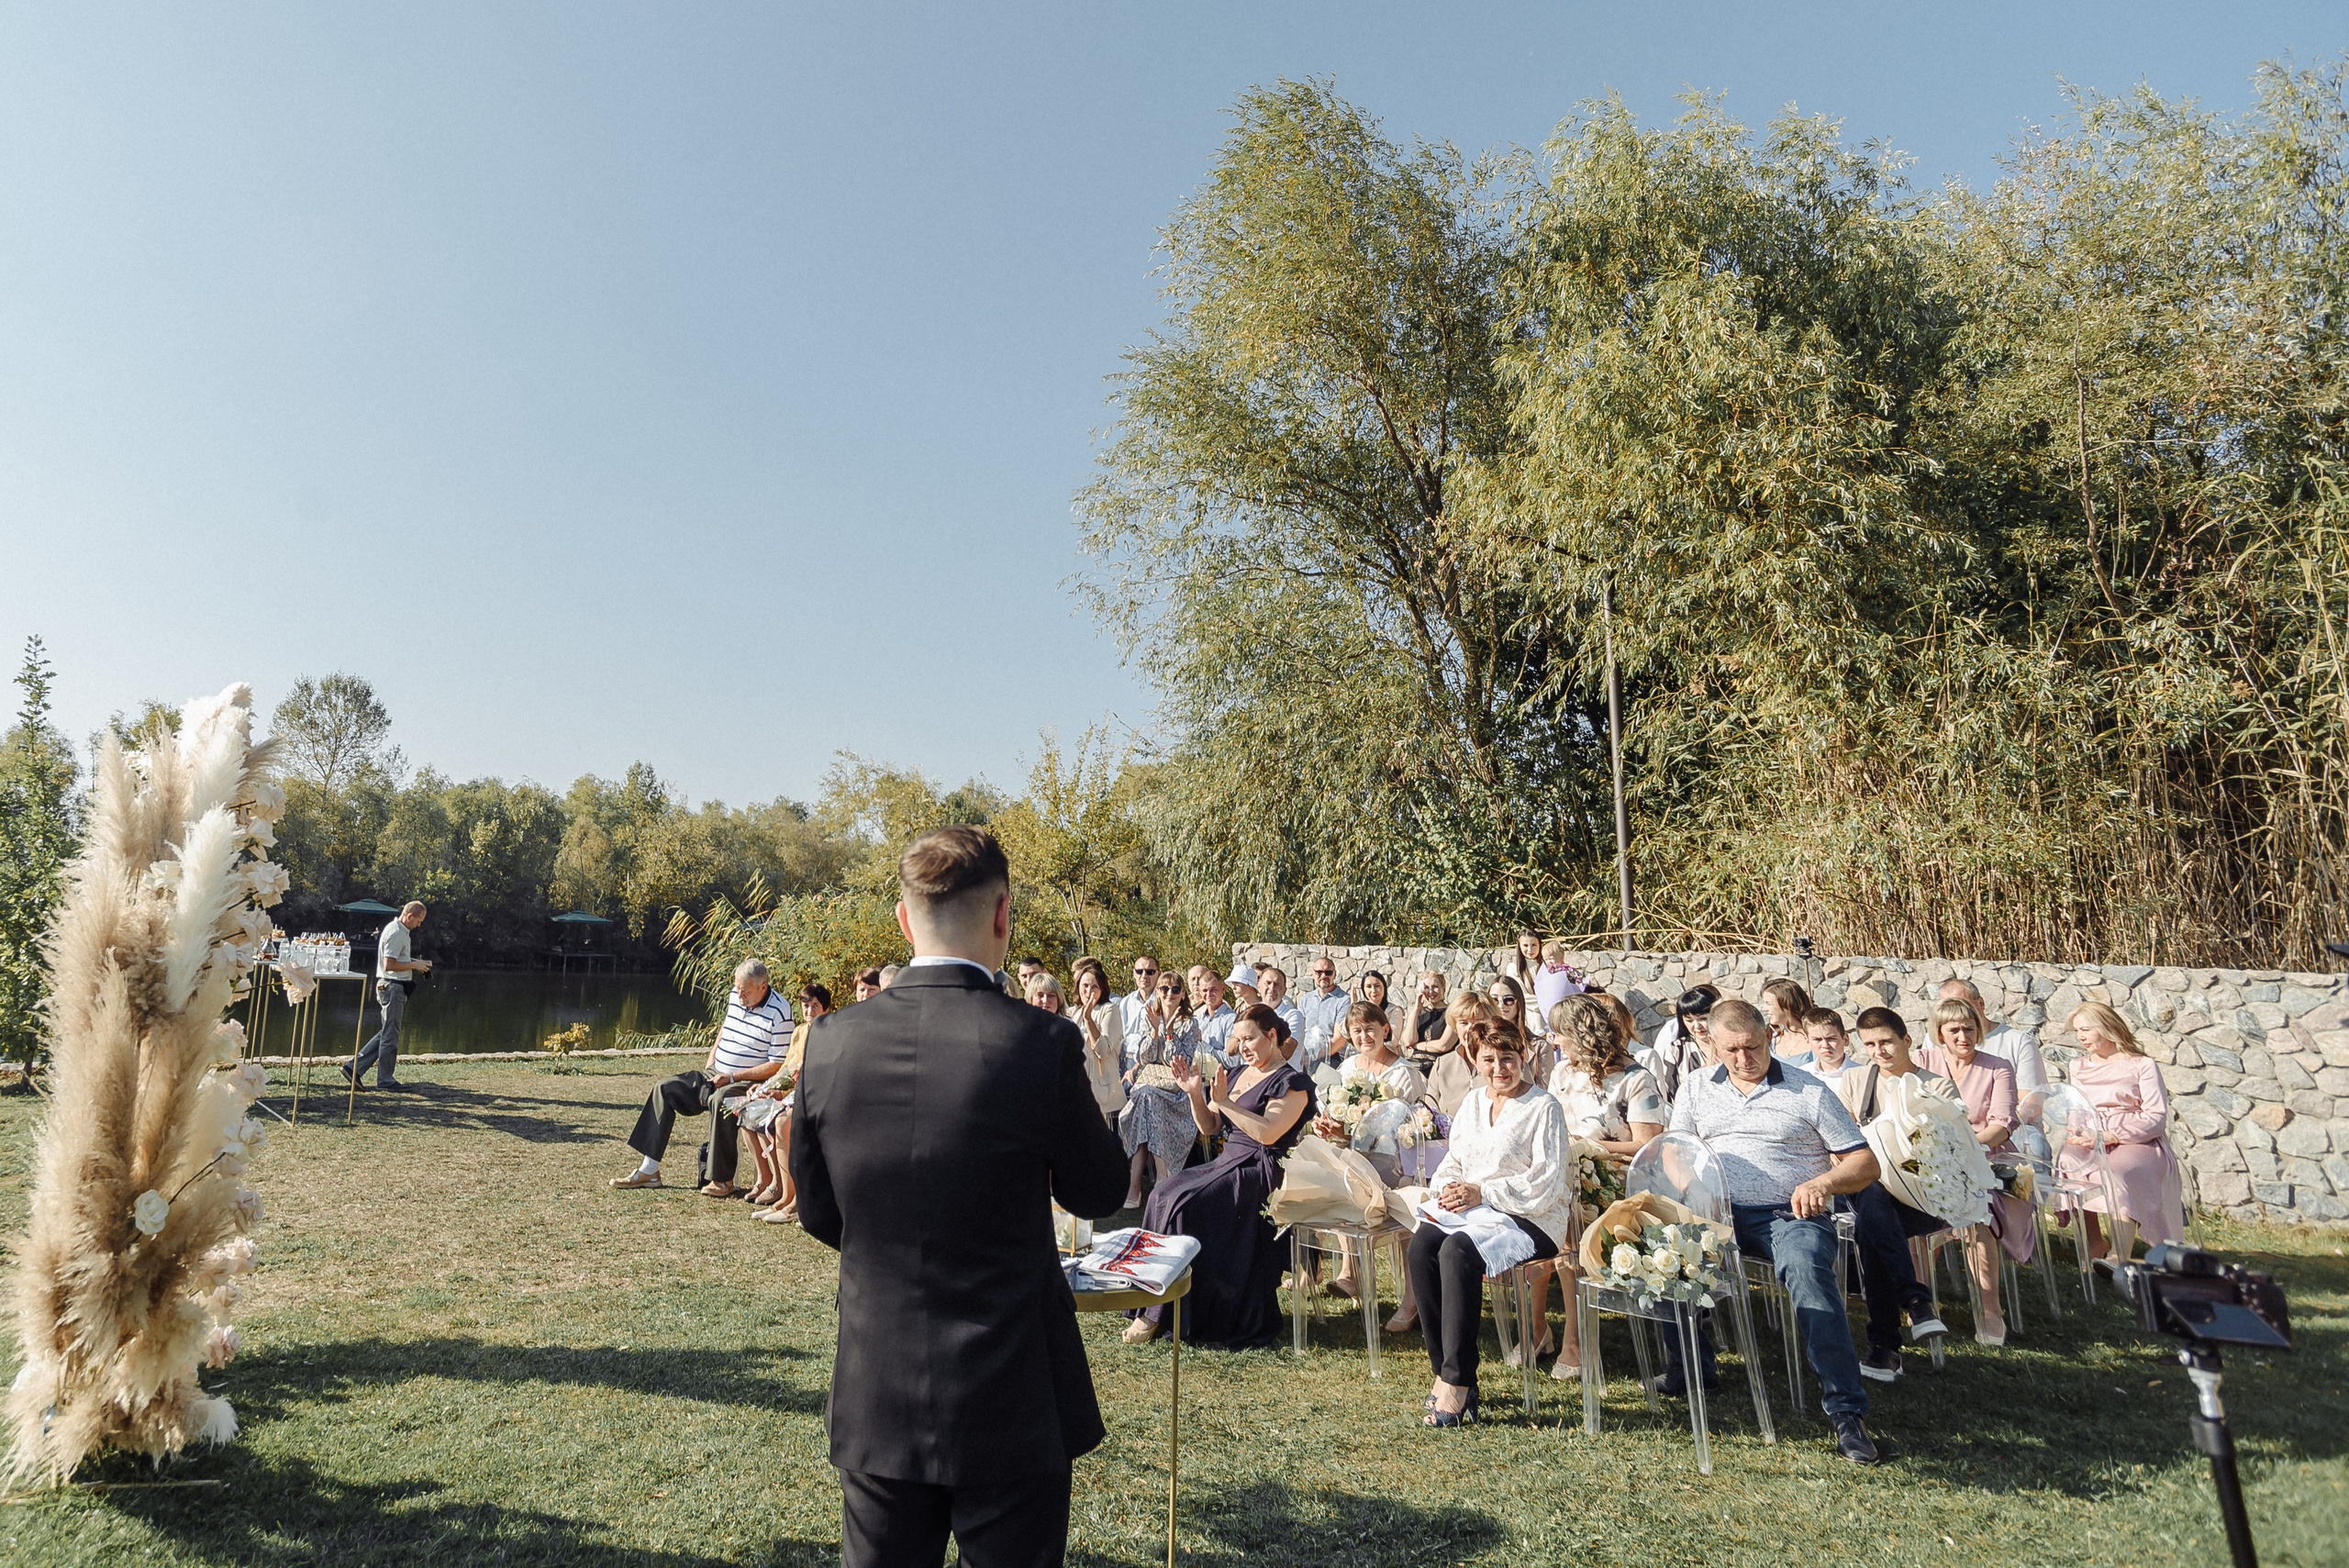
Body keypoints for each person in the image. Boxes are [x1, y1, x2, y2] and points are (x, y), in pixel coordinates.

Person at [788, 825, 1128, 1568]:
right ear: (1003, 914)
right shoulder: (1038, 1042)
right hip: (1010, 1381)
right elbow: (1100, 1186)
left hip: (880, 1379)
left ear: (904, 921)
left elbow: (818, 1209)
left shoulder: (831, 1042)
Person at [1661, 999, 1886, 1464]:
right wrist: (1694, 1189)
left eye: (1753, 1047)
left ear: (1771, 1037)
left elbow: (1866, 1162)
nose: (1744, 1060)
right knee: (1662, 1253)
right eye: (1732, 1050)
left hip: (1788, 1213)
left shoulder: (1809, 1091)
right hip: (1716, 1211)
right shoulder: (1697, 1087)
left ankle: (1847, 1411)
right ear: (1713, 1043)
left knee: (1807, 1270)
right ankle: (1692, 1370)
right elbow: (1674, 1149)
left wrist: (1823, 1181)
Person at [1122, 1006, 1314, 1349]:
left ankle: (1161, 1313)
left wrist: (1225, 1103)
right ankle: (1151, 1302)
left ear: (1271, 1036)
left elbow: (1269, 1134)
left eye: (1250, 1038)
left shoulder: (1292, 1083)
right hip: (1227, 1161)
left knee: (1186, 1206)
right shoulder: (1239, 1074)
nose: (1243, 1046)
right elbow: (1209, 1127)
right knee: (1162, 1193)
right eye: (1238, 1039)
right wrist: (1197, 1094)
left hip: (1259, 1169)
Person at [1410, 1019, 1572, 1427]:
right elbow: (1454, 1161)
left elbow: (1547, 1181)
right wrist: (1448, 1189)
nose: (1500, 1068)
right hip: (1476, 1210)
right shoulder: (1473, 1103)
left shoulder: (1543, 1107)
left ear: (1524, 1057)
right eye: (1489, 1059)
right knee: (1421, 1245)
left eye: (1508, 1058)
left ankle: (1459, 1384)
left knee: (1457, 1251)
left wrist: (1482, 1193)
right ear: (1473, 1059)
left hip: (1531, 1216)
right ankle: (1445, 1370)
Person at [1531, 991, 1666, 1376]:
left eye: (1560, 1034)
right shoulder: (1562, 1073)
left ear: (1581, 1033)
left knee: (1566, 1224)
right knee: (1539, 1212)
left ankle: (1574, 1341)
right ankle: (1538, 1327)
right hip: (1567, 1174)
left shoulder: (1636, 1079)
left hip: (1620, 1181)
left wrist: (1590, 1148)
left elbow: (1647, 1145)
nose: (1555, 1041)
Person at [1838, 1008, 1959, 1373]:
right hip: (1869, 1188)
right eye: (1870, 1044)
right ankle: (1916, 1301)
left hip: (1922, 1197)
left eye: (1886, 1041)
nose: (1880, 1051)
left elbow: (1945, 1152)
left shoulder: (1937, 1086)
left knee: (1869, 1227)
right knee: (1874, 1198)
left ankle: (1885, 1347)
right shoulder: (1856, 1081)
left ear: (1907, 1041)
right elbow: (1841, 1145)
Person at [612, 960, 793, 1195]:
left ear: (763, 986)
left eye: (745, 992)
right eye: (737, 989)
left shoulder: (781, 1011)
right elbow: (725, 1026)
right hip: (716, 1071)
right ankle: (649, 1170)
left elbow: (776, 1064)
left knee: (721, 1101)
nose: (740, 996)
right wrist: (712, 1058)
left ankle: (722, 1180)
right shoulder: (735, 995)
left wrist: (731, 1077)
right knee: (665, 1088)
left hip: (747, 1081)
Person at [1918, 995, 2029, 1342]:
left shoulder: (1998, 1066)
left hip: (1987, 1158)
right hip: (1929, 1157)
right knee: (1911, 1207)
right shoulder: (1922, 1061)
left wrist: (1966, 1147)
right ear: (1939, 1032)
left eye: (1970, 1028)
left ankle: (1990, 1308)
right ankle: (1921, 1303)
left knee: (1978, 1215)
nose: (1963, 1036)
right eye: (1954, 1030)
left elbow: (2002, 1123)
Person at [1309, 1001, 1426, 1305]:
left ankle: (1365, 1280)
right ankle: (1346, 1271)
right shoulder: (1347, 1067)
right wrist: (1324, 1124)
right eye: (1356, 1031)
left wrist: (1345, 1133)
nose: (1363, 1037)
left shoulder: (1402, 1073)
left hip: (1395, 1162)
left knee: (1345, 1172)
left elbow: (1391, 1130)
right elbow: (1329, 1105)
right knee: (1330, 1170)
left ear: (1385, 1029)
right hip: (1353, 1156)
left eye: (1370, 1029)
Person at [2057, 1001, 2185, 1259]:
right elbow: (2077, 1106)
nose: (2081, 1036)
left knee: (2116, 1172)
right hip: (2091, 1138)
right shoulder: (2078, 1065)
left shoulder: (2142, 1065)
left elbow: (2156, 1117)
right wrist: (2078, 1131)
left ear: (2107, 1027)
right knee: (2068, 1160)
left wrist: (2114, 1135)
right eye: (2077, 1031)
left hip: (2137, 1140)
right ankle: (2094, 1242)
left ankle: (2119, 1255)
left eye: (2086, 1029)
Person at [745, 982, 830, 1223]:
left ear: (825, 1008)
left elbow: (811, 1073)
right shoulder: (799, 1032)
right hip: (791, 1090)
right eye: (806, 1005)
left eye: (815, 1005)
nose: (810, 1010)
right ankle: (776, 1184)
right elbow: (786, 1067)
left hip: (809, 1093)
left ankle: (792, 1197)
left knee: (780, 1121)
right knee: (750, 1113)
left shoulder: (827, 1031)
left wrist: (781, 1093)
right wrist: (764, 1087)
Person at [1117, 970, 1201, 1210]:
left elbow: (1178, 1063)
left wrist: (1168, 1034)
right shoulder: (1149, 1017)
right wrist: (1154, 1032)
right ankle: (1160, 1179)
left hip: (1176, 1092)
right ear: (1158, 992)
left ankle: (1135, 1186)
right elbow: (1144, 1057)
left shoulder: (1189, 1024)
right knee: (1146, 1100)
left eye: (1176, 989)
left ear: (1183, 994)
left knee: (1145, 1100)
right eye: (1164, 989)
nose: (1170, 994)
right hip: (1151, 1091)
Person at [348, 900, 431, 1089]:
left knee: (387, 1032)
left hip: (392, 987)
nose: (419, 925)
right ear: (410, 916)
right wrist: (413, 965)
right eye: (419, 921)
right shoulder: (396, 932)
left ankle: (353, 1068)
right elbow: (389, 965)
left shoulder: (400, 930)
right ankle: (385, 1080)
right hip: (392, 987)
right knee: (390, 1036)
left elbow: (396, 959)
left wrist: (416, 963)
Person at [1940, 976, 2050, 1116]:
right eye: (1947, 1007)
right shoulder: (1934, 1044)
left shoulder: (2018, 1042)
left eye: (1962, 1005)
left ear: (1981, 1004)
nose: (1956, 1012)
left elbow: (2030, 1102)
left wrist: (1997, 1129)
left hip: (2014, 1128)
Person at [1069, 958, 1126, 1124]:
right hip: (1079, 1089)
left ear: (1102, 989)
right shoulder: (1074, 1013)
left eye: (1094, 987)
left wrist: (1089, 1020)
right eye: (1085, 986)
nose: (1088, 991)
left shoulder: (1110, 1010)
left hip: (1105, 1095)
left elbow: (1103, 1050)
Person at [1640, 984, 1718, 1105]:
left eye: (1702, 1018)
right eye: (1689, 1020)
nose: (1697, 1026)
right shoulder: (1676, 1050)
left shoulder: (1728, 1045)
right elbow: (1670, 1091)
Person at [1294, 954, 1352, 1070]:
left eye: (1328, 972)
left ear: (1334, 974)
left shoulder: (1344, 1000)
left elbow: (1339, 1039)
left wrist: (1313, 1056)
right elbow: (1299, 1030)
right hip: (1305, 1056)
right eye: (1319, 972)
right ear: (1313, 974)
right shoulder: (1306, 999)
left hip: (1331, 1057)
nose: (1324, 976)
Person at [1401, 971, 1453, 1065]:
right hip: (1417, 1064)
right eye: (1426, 987)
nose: (1431, 991)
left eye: (1435, 987)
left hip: (1440, 1065)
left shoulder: (1451, 1013)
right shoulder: (1419, 1013)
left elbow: (1443, 1046)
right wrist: (1416, 1010)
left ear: (1443, 988)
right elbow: (1408, 1041)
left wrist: (1417, 1045)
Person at [1760, 978, 1814, 1064]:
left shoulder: (1815, 1040)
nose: (1764, 1009)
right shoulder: (1771, 1041)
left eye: (1769, 1004)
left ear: (1787, 1005)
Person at [1800, 1007, 1857, 1080]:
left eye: (1831, 1039)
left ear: (1845, 1039)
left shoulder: (1863, 1075)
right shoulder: (1802, 1075)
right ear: (1808, 1041)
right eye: (1817, 1039)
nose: (1825, 1045)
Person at [1257, 962, 1305, 1048]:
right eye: (1268, 983)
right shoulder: (1251, 1012)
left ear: (1284, 991)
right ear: (1259, 986)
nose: (1272, 988)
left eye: (1277, 984)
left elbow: (1287, 1051)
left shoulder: (1293, 1016)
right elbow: (1232, 1047)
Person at [1357, 968, 1401, 1035]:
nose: (1373, 990)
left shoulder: (1393, 1011)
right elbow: (1346, 1033)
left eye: (1377, 986)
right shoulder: (1359, 1010)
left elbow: (1392, 1041)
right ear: (1363, 989)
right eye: (1369, 986)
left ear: (1384, 987)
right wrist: (1352, 1004)